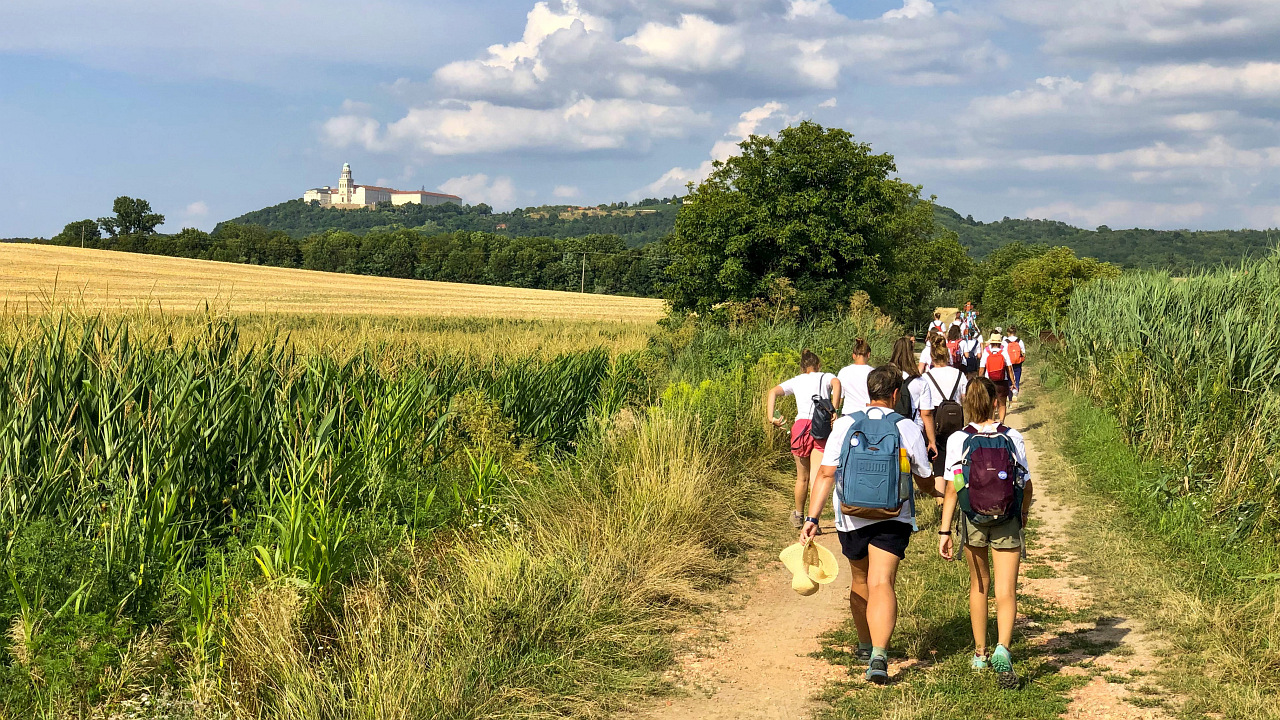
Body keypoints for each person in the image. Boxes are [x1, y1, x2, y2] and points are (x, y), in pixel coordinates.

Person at [800, 366, 937, 684]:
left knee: (861, 580)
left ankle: (864, 645)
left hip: (850, 515)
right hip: (893, 515)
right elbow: (923, 476)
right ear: (895, 394)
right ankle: (879, 654)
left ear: (868, 390)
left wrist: (812, 518)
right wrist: (939, 493)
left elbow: (825, 474)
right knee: (882, 582)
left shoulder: (846, 424)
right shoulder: (906, 426)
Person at [938, 377, 1033, 689]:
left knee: (979, 586)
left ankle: (980, 654)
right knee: (1006, 590)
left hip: (974, 520)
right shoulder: (1013, 436)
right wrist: (1023, 514)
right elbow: (1026, 484)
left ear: (967, 403)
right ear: (996, 403)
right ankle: (1002, 648)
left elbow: (954, 488)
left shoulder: (957, 440)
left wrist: (945, 530)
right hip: (1007, 519)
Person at [768, 350, 842, 530]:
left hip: (800, 428)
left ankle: (798, 515)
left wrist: (772, 417)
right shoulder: (826, 376)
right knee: (817, 477)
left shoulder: (797, 380)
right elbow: (837, 383)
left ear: (802, 367)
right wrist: (834, 409)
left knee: (802, 477)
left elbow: (773, 392)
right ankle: (812, 520)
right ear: (818, 365)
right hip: (819, 427)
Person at [920, 342, 968, 499]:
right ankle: (957, 496)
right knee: (956, 460)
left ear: (932, 357)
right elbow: (964, 399)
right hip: (956, 419)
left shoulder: (926, 377)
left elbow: (924, 405)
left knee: (939, 463)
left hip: (935, 420)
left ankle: (940, 501)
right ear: (947, 356)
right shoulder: (959, 375)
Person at [888, 336, 928, 430]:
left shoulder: (885, 377)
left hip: (889, 428)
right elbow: (926, 413)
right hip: (913, 427)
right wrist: (932, 440)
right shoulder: (919, 381)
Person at [979, 333, 1015, 424]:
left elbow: (981, 369)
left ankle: (992, 422)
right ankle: (1001, 422)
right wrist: (1013, 382)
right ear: (1000, 343)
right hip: (1002, 381)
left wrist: (980, 380)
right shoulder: (1004, 352)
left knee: (991, 404)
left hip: (989, 381)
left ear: (991, 343)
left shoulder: (986, 353)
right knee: (1002, 403)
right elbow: (1009, 369)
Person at [837, 338, 874, 416]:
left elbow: (839, 397)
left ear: (853, 355)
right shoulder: (873, 372)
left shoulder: (844, 372)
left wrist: (835, 413)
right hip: (867, 413)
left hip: (848, 413)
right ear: (868, 355)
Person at [1003, 326, 1027, 399]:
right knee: (1017, 379)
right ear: (1015, 332)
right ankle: (1015, 394)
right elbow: (1024, 353)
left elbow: (1003, 353)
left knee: (1009, 380)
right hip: (1018, 363)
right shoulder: (1019, 341)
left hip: (1008, 364)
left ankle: (1010, 398)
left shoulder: (1005, 341)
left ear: (1008, 333)